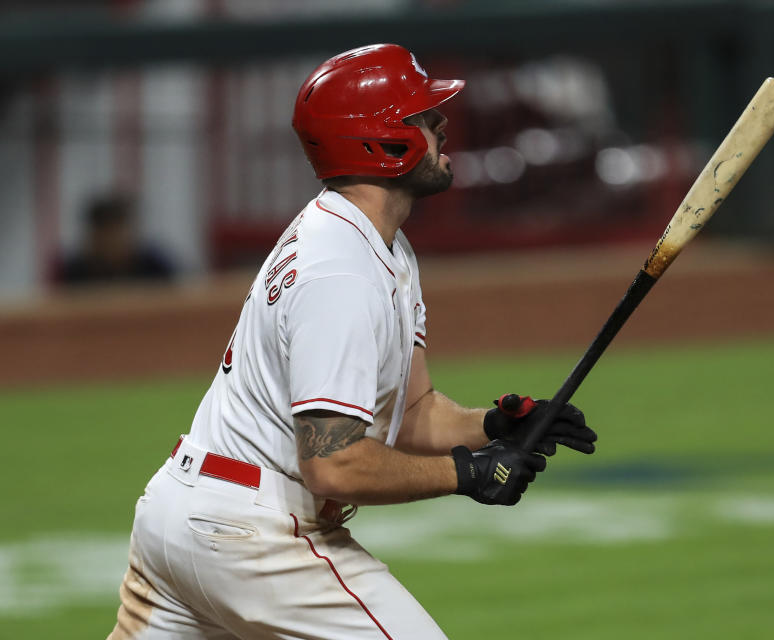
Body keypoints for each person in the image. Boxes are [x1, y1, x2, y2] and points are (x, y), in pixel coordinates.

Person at [108, 44, 596, 640]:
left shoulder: (378, 246)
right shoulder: (339, 270)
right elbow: (334, 466)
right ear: (384, 142)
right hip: (251, 535)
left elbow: (411, 416)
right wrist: (468, 475)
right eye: (422, 117)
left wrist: (494, 428)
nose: (441, 125)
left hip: (186, 515)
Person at [58, 193, 175, 286]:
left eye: (118, 232)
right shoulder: (72, 272)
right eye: (105, 233)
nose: (112, 242)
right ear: (92, 236)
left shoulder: (155, 266)